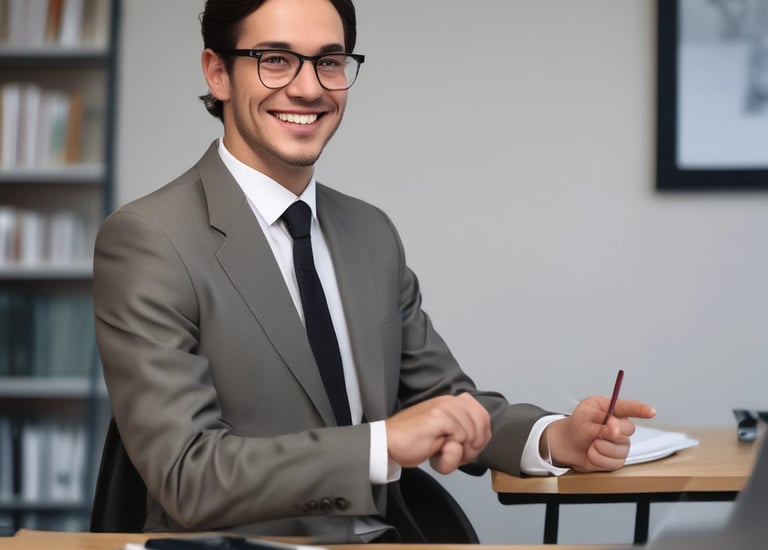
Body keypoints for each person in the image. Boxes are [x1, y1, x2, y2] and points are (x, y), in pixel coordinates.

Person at [93, 0, 655, 542]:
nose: (309, 87)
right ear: (218, 72)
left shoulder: (370, 233)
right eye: (276, 59)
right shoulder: (150, 240)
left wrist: (555, 437)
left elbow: (445, 398)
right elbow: (187, 474)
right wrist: (380, 445)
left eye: (329, 61)